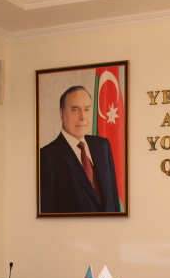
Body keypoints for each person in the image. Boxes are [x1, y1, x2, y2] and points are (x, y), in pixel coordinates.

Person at [39, 85, 120, 213]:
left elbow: (113, 199)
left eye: (87, 109)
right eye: (75, 110)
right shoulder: (46, 156)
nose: (82, 117)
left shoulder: (102, 146)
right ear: (61, 114)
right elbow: (47, 212)